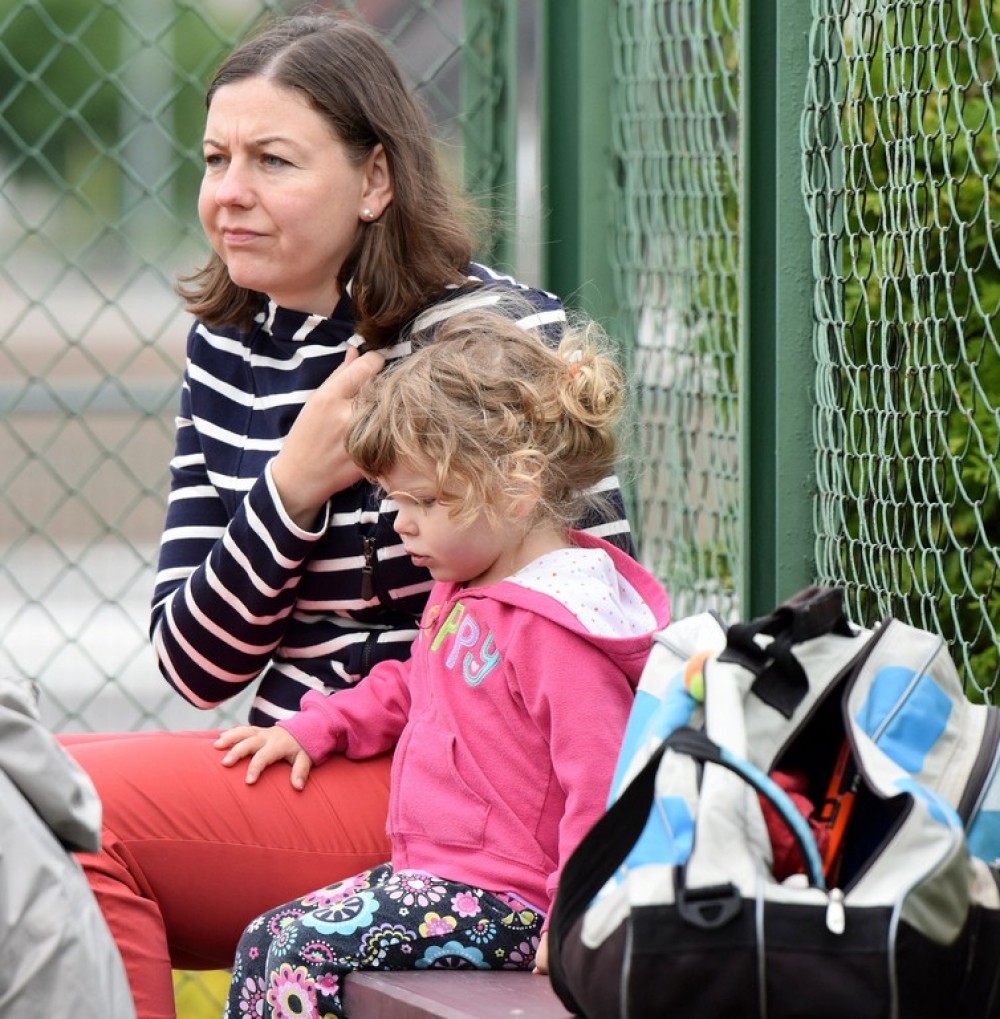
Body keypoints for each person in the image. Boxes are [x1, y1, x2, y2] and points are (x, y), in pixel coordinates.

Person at [58, 12, 633, 1019]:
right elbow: (196, 663)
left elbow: (578, 613)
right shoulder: (230, 346)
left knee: (71, 819)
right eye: (215, 159)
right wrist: (293, 484)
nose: (229, 192)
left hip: (454, 795)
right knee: (30, 784)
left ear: (375, 180)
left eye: (273, 160)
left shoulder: (488, 341)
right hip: (298, 749)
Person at [216, 307, 671, 1019]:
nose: (402, 523)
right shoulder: (468, 591)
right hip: (443, 880)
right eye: (396, 500)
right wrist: (318, 726)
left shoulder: (558, 627)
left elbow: (602, 780)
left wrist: (576, 914)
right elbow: (412, 682)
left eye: (425, 500)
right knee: (267, 940)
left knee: (296, 947)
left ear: (518, 485)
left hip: (516, 901)